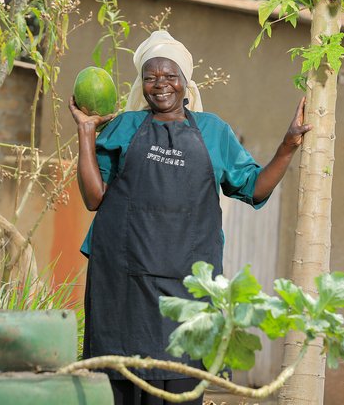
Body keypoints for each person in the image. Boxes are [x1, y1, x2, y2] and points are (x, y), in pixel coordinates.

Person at [68, 30, 311, 405]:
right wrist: (86, 131)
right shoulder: (124, 127)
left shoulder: (213, 132)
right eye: (151, 77)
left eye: (170, 76)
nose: (160, 85)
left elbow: (255, 188)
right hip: (123, 287)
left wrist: (287, 145)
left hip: (189, 289)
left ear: (185, 82)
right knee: (122, 386)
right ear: (141, 83)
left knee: (181, 386)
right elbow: (93, 197)